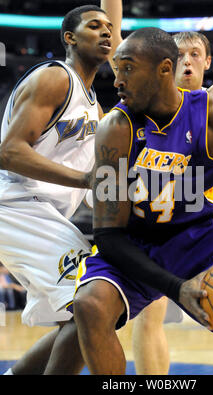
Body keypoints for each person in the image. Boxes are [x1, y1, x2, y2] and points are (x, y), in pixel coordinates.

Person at [69, 27, 213, 375]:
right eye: (116, 70)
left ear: (164, 69)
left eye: (128, 69)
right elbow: (107, 236)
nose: (117, 81)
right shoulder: (115, 127)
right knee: (89, 306)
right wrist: (177, 288)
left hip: (196, 239)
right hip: (133, 242)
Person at [0, 5, 113, 375]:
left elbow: (95, 181)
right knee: (96, 300)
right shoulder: (55, 78)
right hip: (14, 203)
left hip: (39, 212)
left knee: (80, 317)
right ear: (70, 38)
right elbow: (9, 151)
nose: (106, 32)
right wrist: (83, 180)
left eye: (110, 27)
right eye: (94, 26)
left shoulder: (95, 106)